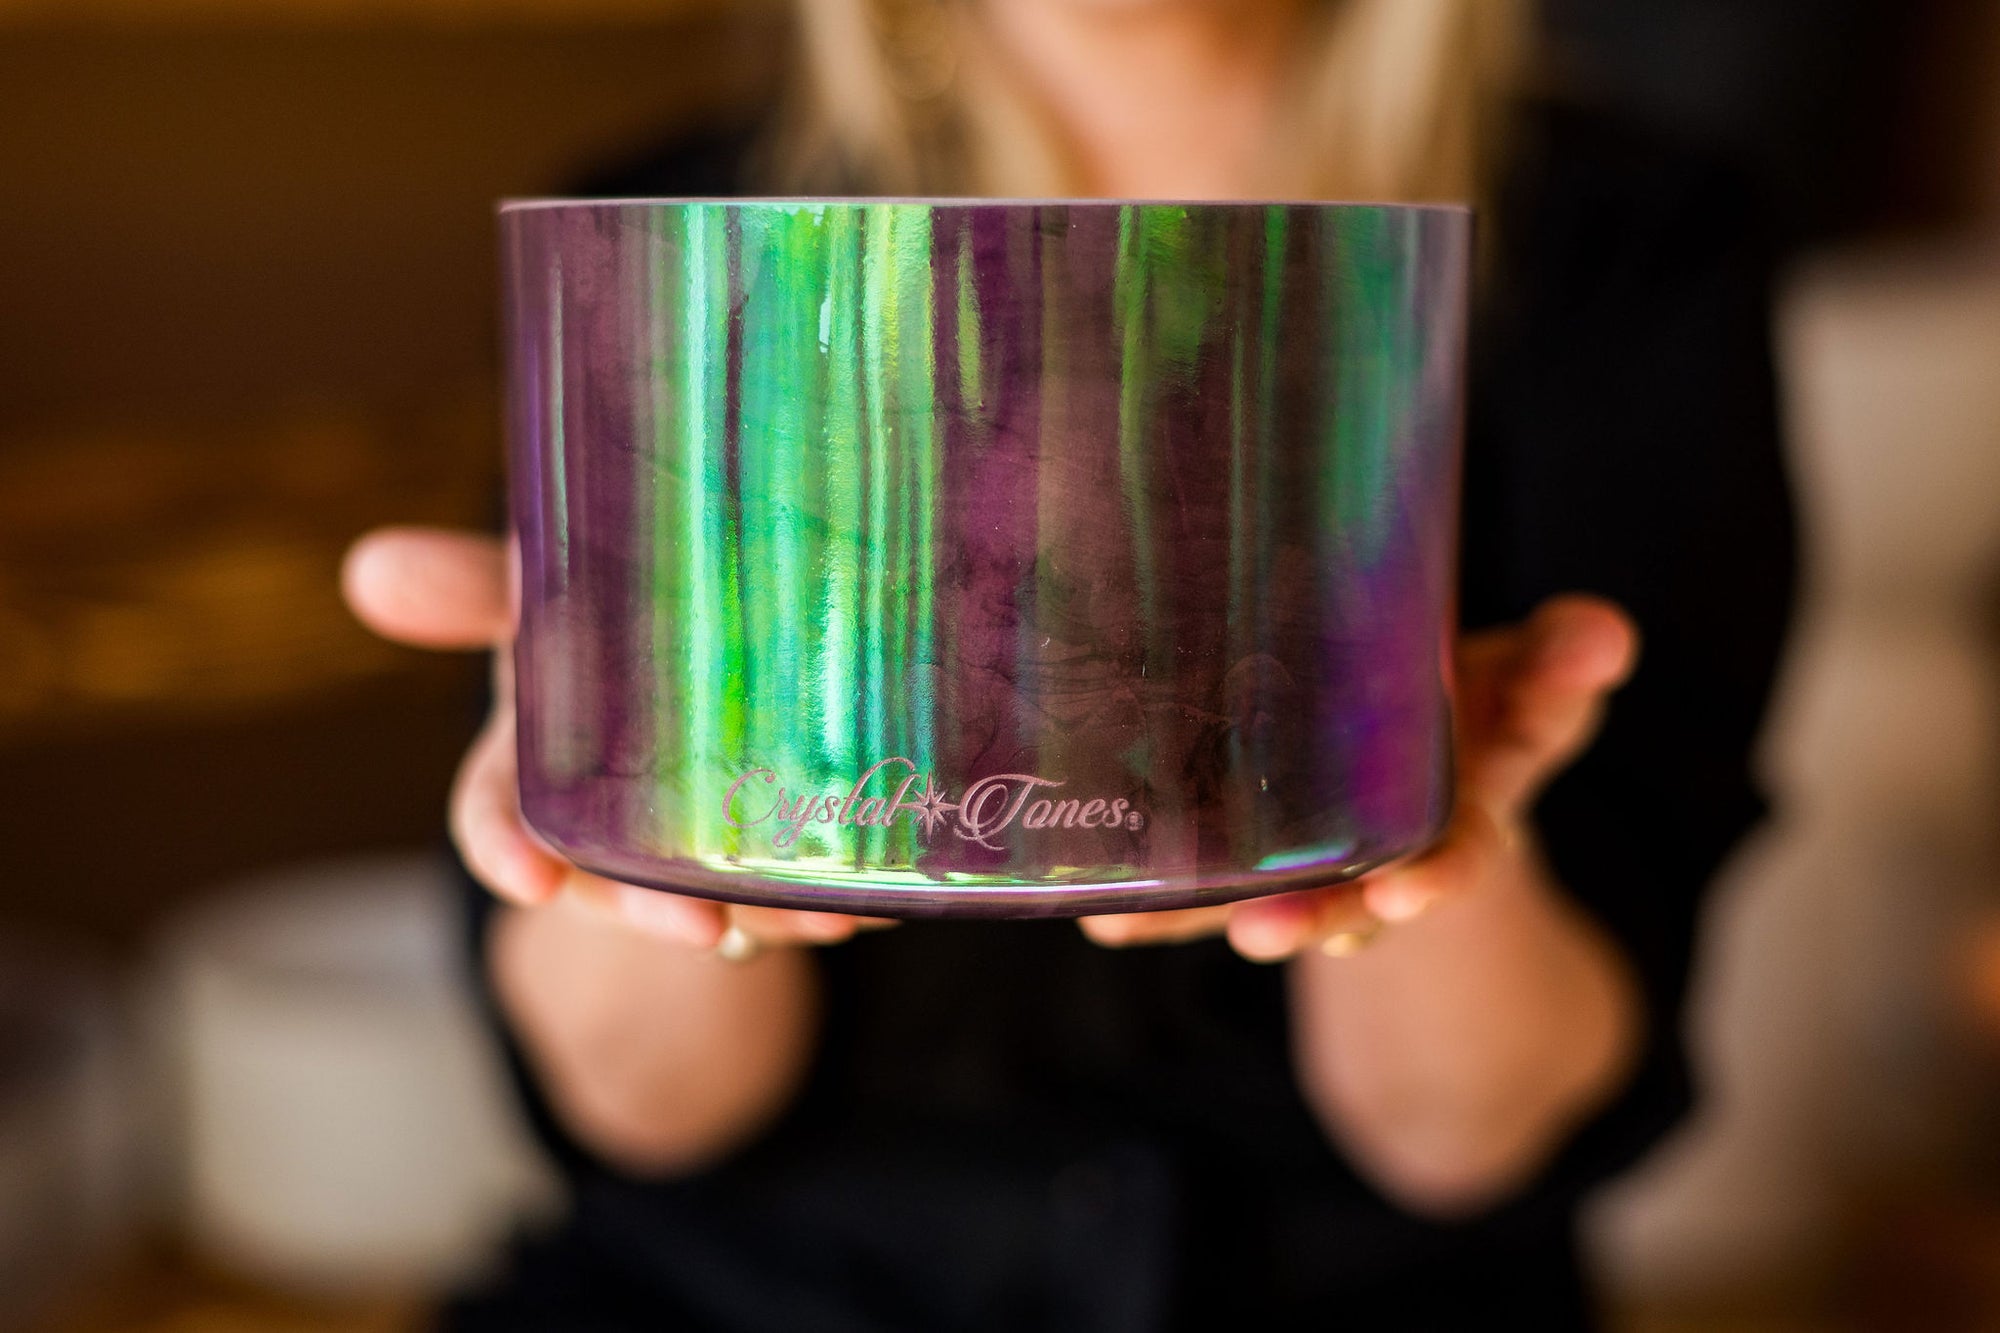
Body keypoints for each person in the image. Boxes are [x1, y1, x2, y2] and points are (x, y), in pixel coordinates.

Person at [341, 0, 1796, 1327]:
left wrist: (1420, 810)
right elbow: (647, 1106)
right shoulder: (659, 248)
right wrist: (630, 784)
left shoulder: (1632, 243)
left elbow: (1463, 1131)